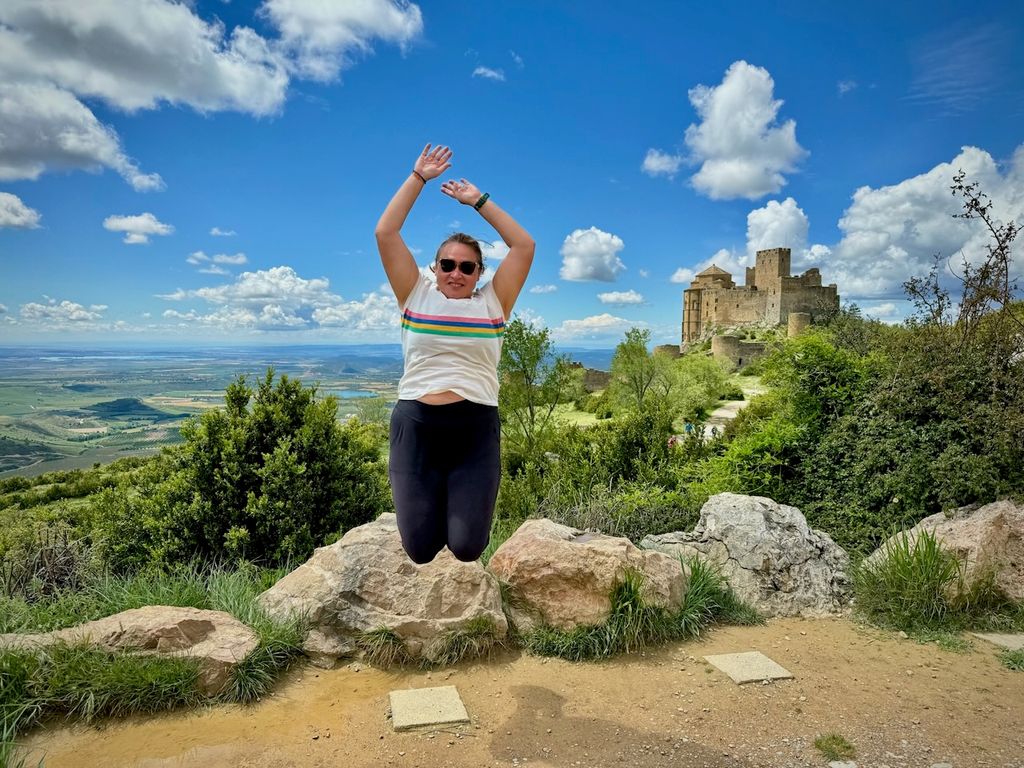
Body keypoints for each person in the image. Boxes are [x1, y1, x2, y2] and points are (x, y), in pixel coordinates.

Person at [375, 144, 535, 564]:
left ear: (480, 273)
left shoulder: (493, 302)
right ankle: (430, 504)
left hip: (474, 429)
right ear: (434, 268)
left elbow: (524, 246)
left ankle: (457, 504)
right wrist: (418, 178)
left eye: (467, 267)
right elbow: (385, 234)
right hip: (417, 426)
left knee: (466, 548)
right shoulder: (414, 293)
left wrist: (477, 201)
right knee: (421, 549)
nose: (456, 273)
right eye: (448, 265)